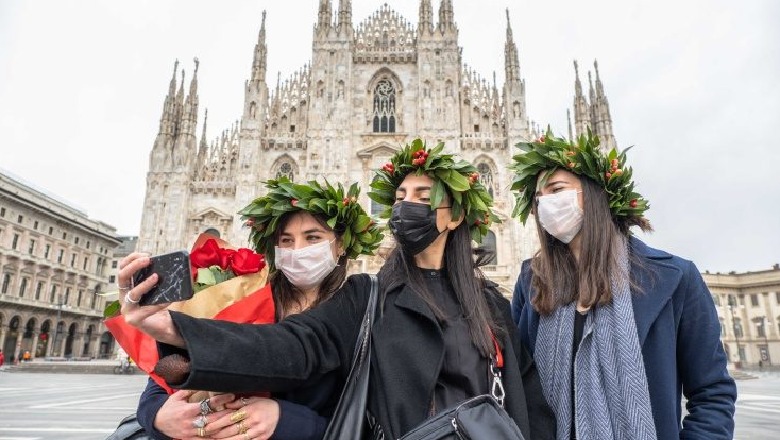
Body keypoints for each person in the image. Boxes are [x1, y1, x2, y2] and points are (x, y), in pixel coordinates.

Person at [119, 139, 556, 439]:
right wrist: (176, 328)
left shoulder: (492, 305)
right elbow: (294, 344)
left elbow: (528, 399)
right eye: (399, 195)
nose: (405, 206)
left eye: (423, 195)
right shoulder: (367, 296)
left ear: (455, 216)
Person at [509, 131, 736, 439]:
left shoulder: (674, 277)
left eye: (556, 189)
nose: (546, 204)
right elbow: (518, 387)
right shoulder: (532, 282)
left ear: (594, 193)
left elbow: (712, 393)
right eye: (538, 199)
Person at [134, 177, 382, 440]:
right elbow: (161, 377)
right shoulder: (243, 289)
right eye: (286, 240)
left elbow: (372, 421)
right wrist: (158, 416)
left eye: (313, 237)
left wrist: (286, 420)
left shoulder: (360, 309)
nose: (298, 250)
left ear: (340, 244)